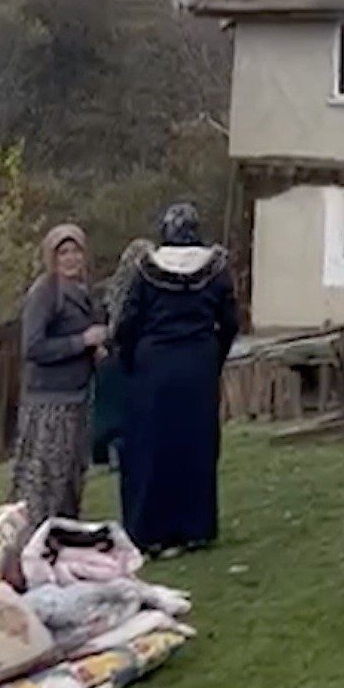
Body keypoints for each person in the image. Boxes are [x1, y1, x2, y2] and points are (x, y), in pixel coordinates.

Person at [115, 203, 239, 556]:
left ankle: (151, 531)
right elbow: (229, 321)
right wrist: (213, 354)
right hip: (197, 363)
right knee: (195, 444)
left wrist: (129, 361)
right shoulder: (216, 270)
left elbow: (127, 322)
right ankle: (194, 528)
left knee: (150, 447)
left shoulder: (145, 269)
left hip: (154, 366)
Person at [10, 224, 107, 527]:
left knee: (70, 477)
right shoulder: (45, 292)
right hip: (49, 402)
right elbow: (33, 346)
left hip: (77, 396)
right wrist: (82, 342)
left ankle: (62, 537)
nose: (70, 258)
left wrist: (96, 349)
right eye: (63, 252)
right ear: (52, 257)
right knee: (44, 481)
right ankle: (31, 540)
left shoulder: (83, 291)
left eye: (75, 251)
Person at [91, 239, 152, 470]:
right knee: (122, 412)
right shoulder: (136, 287)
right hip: (123, 354)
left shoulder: (111, 290)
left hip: (113, 354)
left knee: (112, 414)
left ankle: (112, 451)